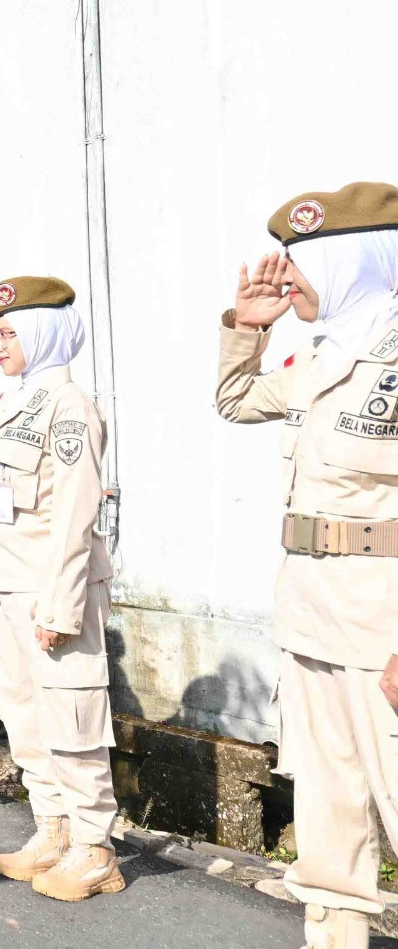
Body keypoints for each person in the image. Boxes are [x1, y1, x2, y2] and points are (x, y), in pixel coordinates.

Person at [217, 183, 398, 948]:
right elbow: (233, 399)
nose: (286, 280)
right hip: (313, 611)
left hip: (382, 618)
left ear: (356, 260)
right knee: (327, 806)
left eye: (302, 263)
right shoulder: (322, 354)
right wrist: (244, 330)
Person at [0, 276, 120, 901]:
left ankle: (95, 847)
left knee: (71, 718)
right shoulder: (17, 403)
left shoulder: (69, 407)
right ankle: (53, 830)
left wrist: (63, 604)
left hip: (50, 591)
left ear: (44, 333)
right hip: (8, 588)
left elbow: (76, 514)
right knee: (22, 713)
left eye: (10, 334)